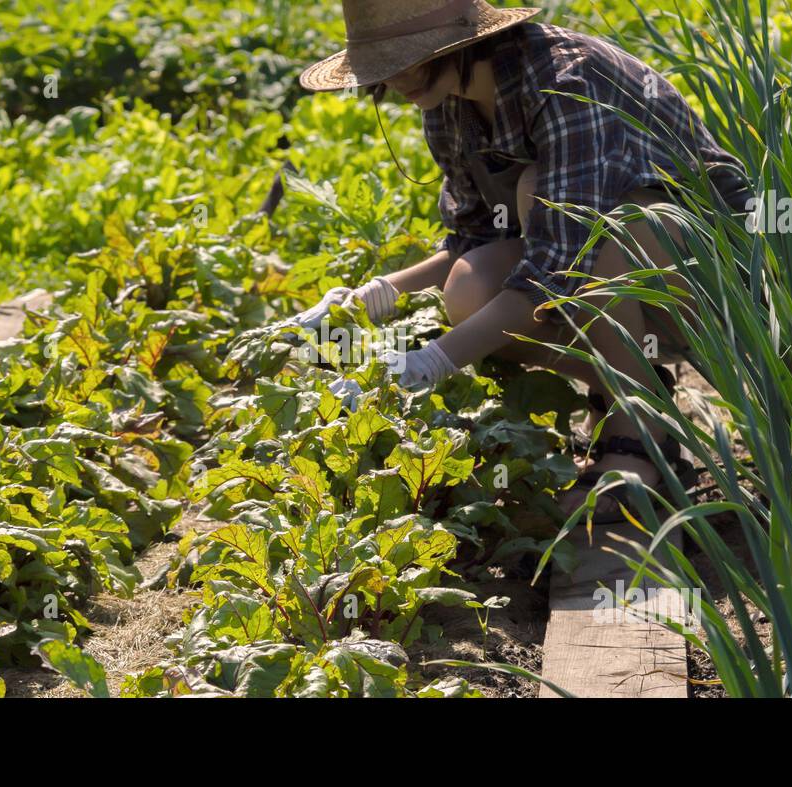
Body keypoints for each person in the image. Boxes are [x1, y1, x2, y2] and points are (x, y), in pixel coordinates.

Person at [287, 0, 753, 522]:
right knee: (469, 290)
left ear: (461, 41)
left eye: (410, 57)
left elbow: (560, 265)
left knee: (563, 212)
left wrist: (430, 361)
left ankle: (638, 431)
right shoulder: (449, 103)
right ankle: (624, 381)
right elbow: (476, 238)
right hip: (606, 274)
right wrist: (376, 295)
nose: (397, 78)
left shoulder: (566, 82)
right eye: (384, 65)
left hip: (711, 279)